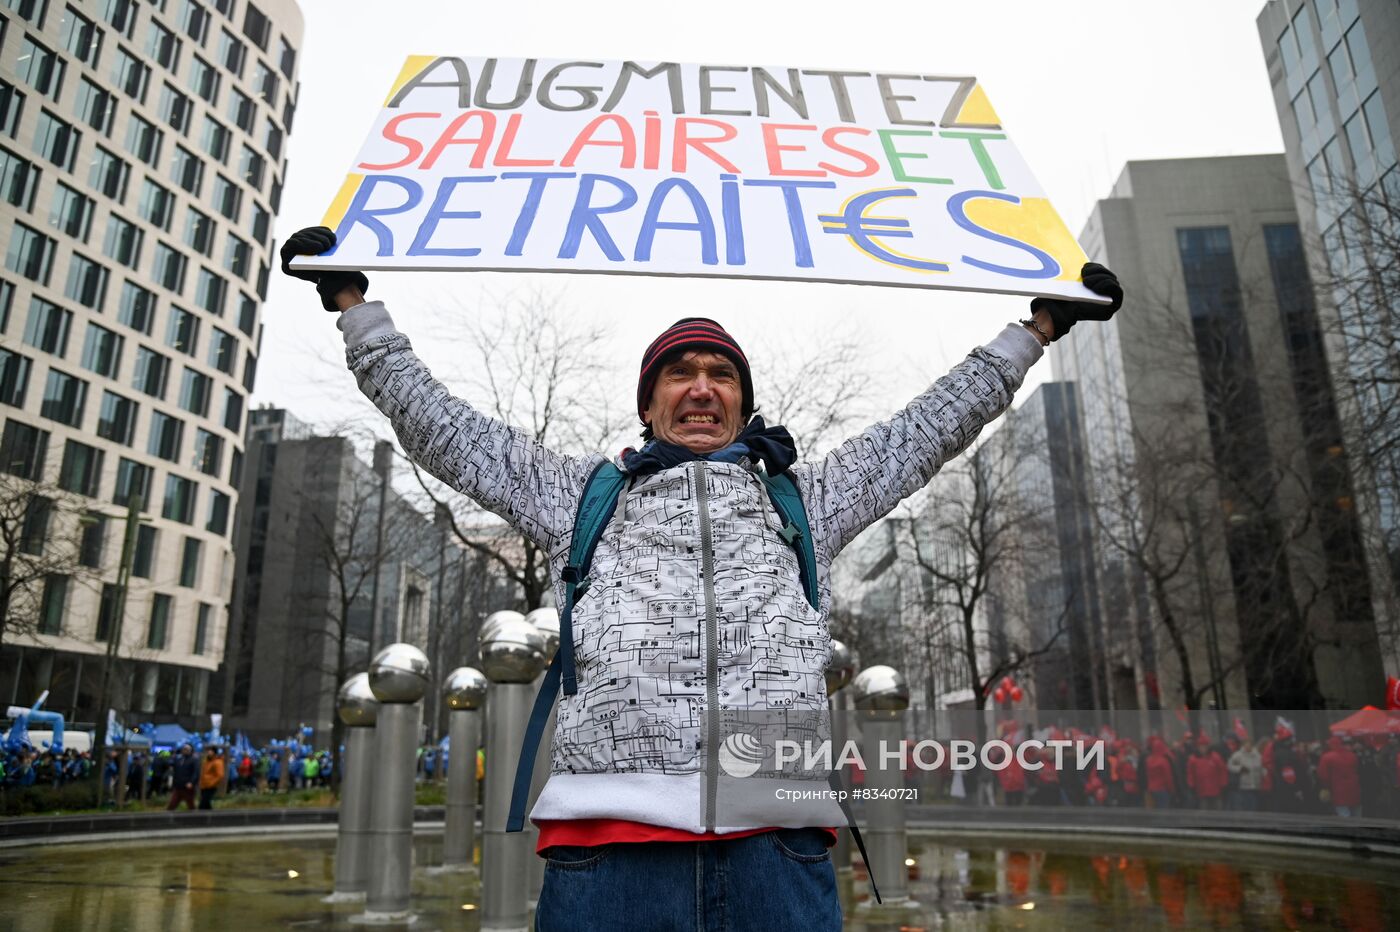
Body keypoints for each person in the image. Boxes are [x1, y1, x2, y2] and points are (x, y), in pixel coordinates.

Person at [280, 226, 1123, 931]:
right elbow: (442, 428)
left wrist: (1035, 331)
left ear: (742, 405)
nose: (700, 388)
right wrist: (359, 312)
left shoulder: (805, 500)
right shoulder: (581, 496)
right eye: (679, 374)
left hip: (776, 841)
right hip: (610, 847)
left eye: (720, 375)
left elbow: (927, 427)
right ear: (648, 404)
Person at [1316, 736, 1361, 817]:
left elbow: (1323, 776)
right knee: (1356, 816)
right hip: (1354, 790)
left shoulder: (1326, 757)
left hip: (1338, 792)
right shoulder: (1353, 755)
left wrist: (1325, 788)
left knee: (1344, 816)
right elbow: (1357, 770)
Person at [1227, 738, 1264, 812]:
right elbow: (1230, 766)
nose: (1247, 747)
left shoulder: (1257, 755)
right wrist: (1240, 769)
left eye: (1249, 745)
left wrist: (1264, 773)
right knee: (1248, 806)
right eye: (1246, 745)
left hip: (1256, 785)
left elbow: (1262, 767)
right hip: (1244, 785)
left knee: (1255, 806)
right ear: (1243, 746)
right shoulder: (1238, 755)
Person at [168, 744, 198, 811]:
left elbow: (196, 772)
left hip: (187, 786)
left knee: (190, 804)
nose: (185, 751)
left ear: (190, 751)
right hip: (178, 785)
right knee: (172, 804)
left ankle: (195, 818)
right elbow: (174, 768)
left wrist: (192, 782)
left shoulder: (193, 760)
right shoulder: (179, 759)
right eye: (184, 749)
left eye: (187, 749)